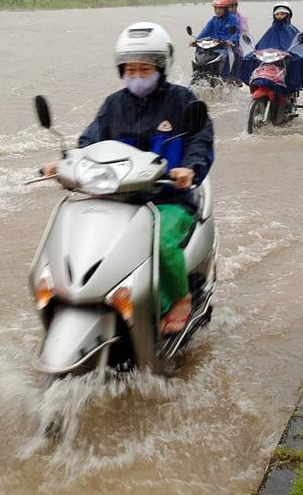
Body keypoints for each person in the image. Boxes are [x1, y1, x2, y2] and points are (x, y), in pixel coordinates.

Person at [42, 22, 215, 334]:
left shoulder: (182, 102)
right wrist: (66, 163)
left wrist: (188, 169)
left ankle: (180, 297)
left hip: (168, 200)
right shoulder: (114, 105)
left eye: (144, 68)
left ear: (161, 67)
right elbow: (90, 142)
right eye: (130, 69)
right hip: (118, 198)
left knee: (159, 241)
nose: (136, 75)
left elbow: (201, 141)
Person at [240, 2, 303, 91]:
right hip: (271, 60)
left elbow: (298, 46)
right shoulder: (270, 30)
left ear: (288, 15)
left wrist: (291, 54)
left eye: (282, 14)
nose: (279, 16)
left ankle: (290, 90)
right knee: (248, 60)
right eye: (277, 14)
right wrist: (255, 52)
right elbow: (262, 45)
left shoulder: (292, 30)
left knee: (298, 61)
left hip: (285, 61)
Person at [192, 0, 241, 79]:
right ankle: (199, 71)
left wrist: (231, 41)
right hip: (214, 44)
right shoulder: (213, 20)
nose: (217, 11)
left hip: (226, 46)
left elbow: (235, 32)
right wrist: (196, 40)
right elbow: (205, 31)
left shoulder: (232, 19)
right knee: (200, 51)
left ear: (225, 9)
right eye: (216, 8)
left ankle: (227, 77)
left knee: (229, 55)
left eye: (220, 9)